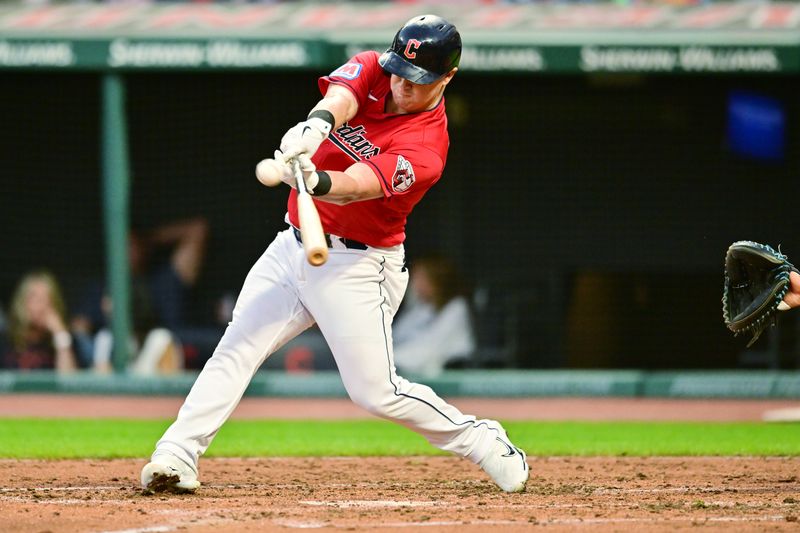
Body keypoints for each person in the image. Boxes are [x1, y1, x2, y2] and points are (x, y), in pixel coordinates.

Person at [140, 15, 529, 494]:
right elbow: (341, 98)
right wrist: (314, 127)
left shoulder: (428, 146)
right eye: (399, 74)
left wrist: (313, 180)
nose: (403, 87)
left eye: (418, 81)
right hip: (294, 244)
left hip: (358, 266)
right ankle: (177, 454)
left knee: (376, 393)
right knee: (237, 347)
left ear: (447, 78)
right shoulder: (374, 68)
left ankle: (482, 438)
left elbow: (354, 188)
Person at [72, 216, 208, 373]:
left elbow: (198, 229)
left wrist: (147, 239)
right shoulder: (106, 339)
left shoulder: (159, 339)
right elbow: (78, 330)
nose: (106, 306)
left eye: (131, 245)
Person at [392, 254, 476, 377]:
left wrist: (390, 359)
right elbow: (396, 336)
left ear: (436, 280)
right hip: (413, 369)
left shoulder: (456, 307)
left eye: (421, 278)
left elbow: (432, 348)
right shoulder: (420, 308)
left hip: (451, 370)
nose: (415, 284)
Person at [2, 270, 83, 372]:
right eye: (34, 298)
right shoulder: (5, 339)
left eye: (46, 299)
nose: (40, 307)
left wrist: (59, 333)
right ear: (21, 302)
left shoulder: (66, 340)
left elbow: (68, 383)